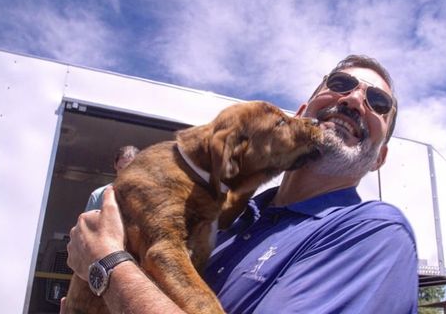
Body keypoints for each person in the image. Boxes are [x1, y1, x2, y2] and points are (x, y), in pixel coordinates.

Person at [64, 55, 418, 313]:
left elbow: (117, 266)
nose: (355, 99)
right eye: (341, 84)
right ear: (300, 113)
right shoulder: (236, 218)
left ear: (380, 159)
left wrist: (106, 265)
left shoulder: (373, 233)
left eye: (378, 103)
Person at [84, 145, 140, 211]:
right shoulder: (98, 196)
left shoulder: (146, 197)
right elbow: (87, 220)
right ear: (115, 165)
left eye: (129, 169)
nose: (124, 174)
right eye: (121, 168)